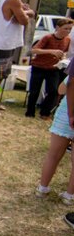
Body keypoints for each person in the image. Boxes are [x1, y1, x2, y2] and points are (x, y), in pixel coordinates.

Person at [35, 56, 74, 203]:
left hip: (66, 114)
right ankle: (70, 195)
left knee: (53, 155)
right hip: (67, 114)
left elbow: (62, 88)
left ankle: (42, 188)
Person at [26, 18, 72, 118]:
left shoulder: (68, 39)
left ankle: (45, 112)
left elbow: (64, 52)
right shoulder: (48, 37)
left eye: (70, 29)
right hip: (39, 66)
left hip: (53, 68)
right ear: (58, 27)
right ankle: (30, 112)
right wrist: (51, 51)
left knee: (53, 91)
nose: (67, 31)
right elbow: (34, 50)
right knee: (34, 91)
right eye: (65, 28)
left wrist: (62, 57)